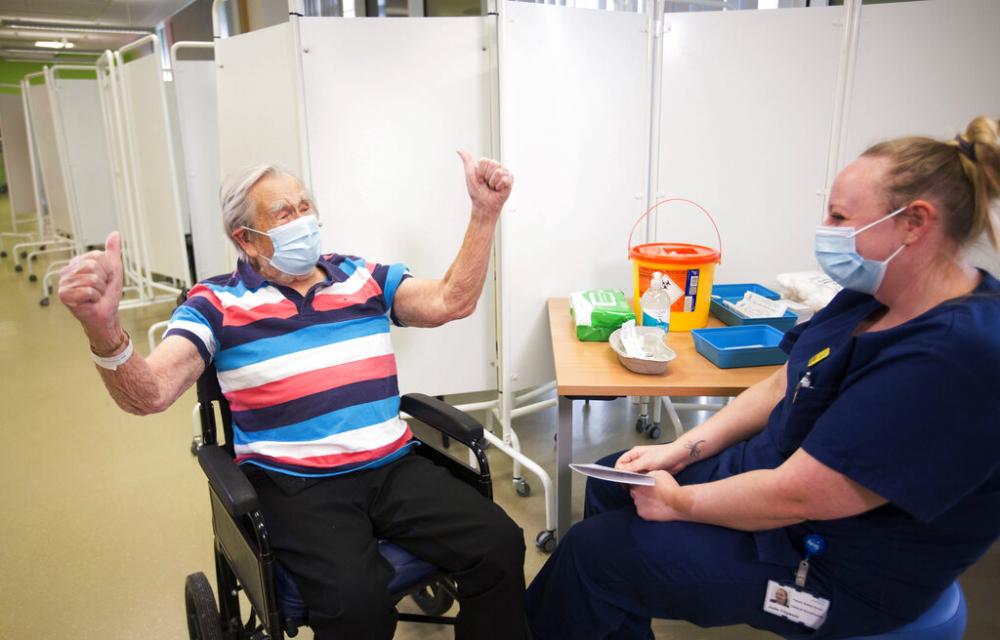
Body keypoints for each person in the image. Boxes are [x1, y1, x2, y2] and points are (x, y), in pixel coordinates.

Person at [527, 116, 1000, 639]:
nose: (827, 229)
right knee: (614, 479)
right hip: (776, 488)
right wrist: (680, 450)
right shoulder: (872, 295)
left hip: (832, 565)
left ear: (914, 223)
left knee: (592, 556)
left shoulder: (957, 356)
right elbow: (781, 385)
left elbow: (802, 496)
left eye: (840, 217)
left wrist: (680, 503)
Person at [58, 153, 529, 640]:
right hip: (295, 484)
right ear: (246, 239)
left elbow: (451, 300)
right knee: (356, 605)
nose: (302, 220)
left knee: (498, 543)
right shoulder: (215, 303)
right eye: (284, 213)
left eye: (305, 207)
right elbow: (151, 393)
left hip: (392, 465)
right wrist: (105, 331)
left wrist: (484, 212)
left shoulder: (361, 277)